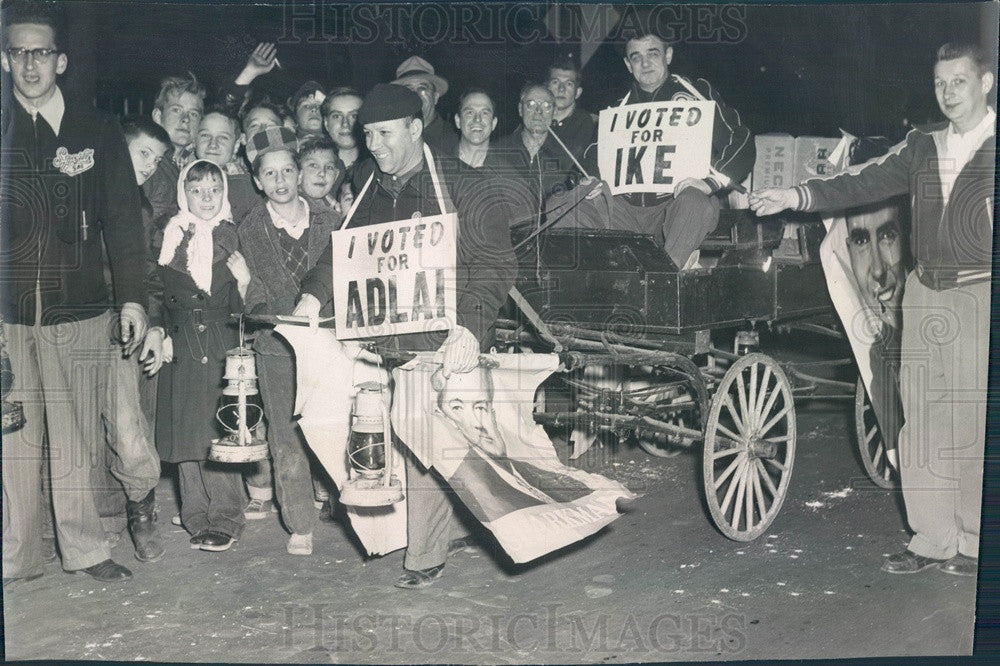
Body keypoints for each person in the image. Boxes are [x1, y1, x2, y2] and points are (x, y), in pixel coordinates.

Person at [750, 42, 995, 578]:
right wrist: (798, 195)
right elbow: (861, 179)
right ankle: (932, 537)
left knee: (973, 417)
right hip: (925, 292)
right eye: (940, 83)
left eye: (959, 81)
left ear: (986, 83)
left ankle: (977, 540)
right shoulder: (921, 147)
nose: (949, 93)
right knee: (923, 417)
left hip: (981, 293)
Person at [294, 83, 517, 589]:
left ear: (416, 129)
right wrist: (312, 296)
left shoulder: (466, 185)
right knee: (379, 429)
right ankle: (433, 530)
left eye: (385, 133)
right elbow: (343, 249)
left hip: (442, 334)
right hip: (385, 334)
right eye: (368, 134)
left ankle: (425, 553)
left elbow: (497, 262)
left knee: (421, 440)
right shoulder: (373, 183)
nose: (373, 144)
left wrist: (470, 327)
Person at [1, 4, 148, 583]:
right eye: (18, 52)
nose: (29, 64)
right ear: (5, 58)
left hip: (81, 310)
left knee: (76, 436)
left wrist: (133, 298)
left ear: (60, 60)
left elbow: (123, 222)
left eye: (40, 52)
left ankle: (86, 549)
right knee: (11, 436)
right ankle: (15, 555)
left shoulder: (96, 127)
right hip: (9, 317)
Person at [573, 29, 755, 270]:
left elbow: (742, 142)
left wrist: (711, 182)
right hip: (625, 212)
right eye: (636, 57)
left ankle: (665, 279)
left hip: (675, 207)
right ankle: (590, 280)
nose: (645, 63)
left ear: (668, 55)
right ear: (628, 65)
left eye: (653, 53)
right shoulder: (618, 109)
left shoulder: (696, 94)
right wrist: (589, 179)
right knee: (571, 201)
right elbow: (589, 159)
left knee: (694, 201)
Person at [238, 127, 338, 555]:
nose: (280, 181)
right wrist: (246, 287)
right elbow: (254, 294)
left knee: (332, 423)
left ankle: (334, 493)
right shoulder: (249, 229)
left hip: (329, 341)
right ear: (257, 180)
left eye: (287, 171)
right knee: (285, 434)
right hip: (276, 346)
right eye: (269, 174)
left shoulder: (330, 219)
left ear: (300, 174)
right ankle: (300, 520)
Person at [148, 160, 250, 553]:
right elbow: (155, 288)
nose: (206, 198)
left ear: (224, 193)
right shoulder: (169, 235)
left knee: (218, 428)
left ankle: (226, 516)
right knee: (185, 431)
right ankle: (195, 514)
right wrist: (159, 327)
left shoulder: (235, 237)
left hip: (220, 343)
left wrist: (244, 282)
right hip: (180, 342)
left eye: (214, 190)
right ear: (182, 194)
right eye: (196, 190)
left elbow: (249, 310)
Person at [143, 72, 207, 229]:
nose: (186, 119)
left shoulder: (193, 165)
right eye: (177, 110)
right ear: (158, 117)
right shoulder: (147, 165)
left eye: (193, 113)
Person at [195, 104, 262, 223]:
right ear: (195, 140)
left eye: (223, 137)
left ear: (236, 145)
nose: (213, 144)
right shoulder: (181, 176)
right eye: (205, 135)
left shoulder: (249, 188)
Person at [393, 55, 459, 155]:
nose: (415, 94)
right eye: (408, 89)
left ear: (435, 97)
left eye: (422, 87)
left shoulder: (454, 141)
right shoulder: (390, 138)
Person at [546, 53, 597, 164]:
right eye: (555, 82)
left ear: (577, 93)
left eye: (569, 84)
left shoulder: (586, 123)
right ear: (546, 88)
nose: (561, 89)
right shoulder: (535, 119)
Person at [322, 86, 368, 178]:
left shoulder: (377, 168)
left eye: (354, 116)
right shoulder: (312, 168)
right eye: (337, 116)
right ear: (326, 123)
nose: (345, 123)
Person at [453, 87, 499, 169]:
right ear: (458, 121)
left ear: (493, 123)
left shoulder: (508, 175)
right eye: (470, 112)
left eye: (485, 113)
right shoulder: (438, 166)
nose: (477, 119)